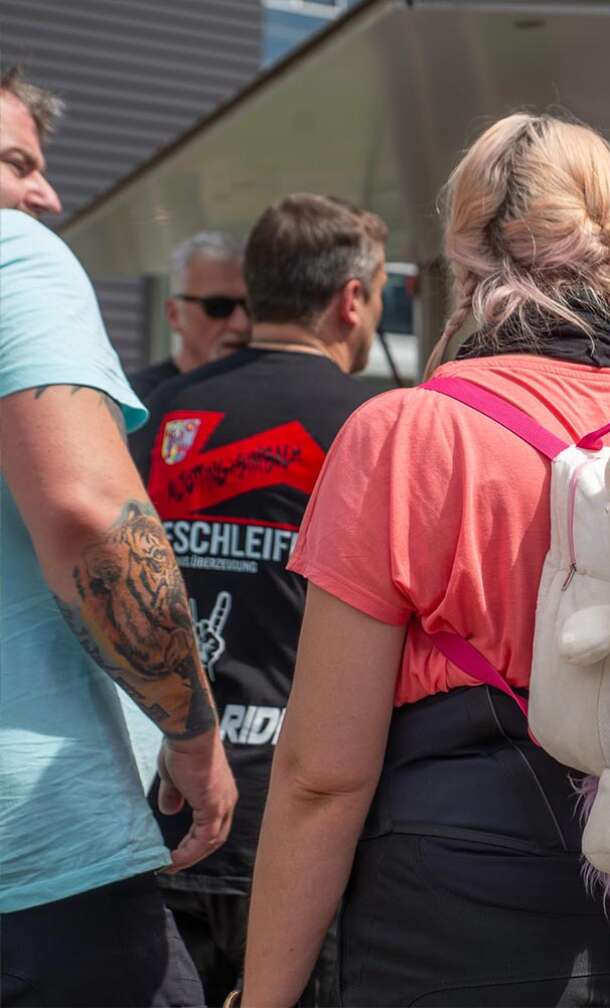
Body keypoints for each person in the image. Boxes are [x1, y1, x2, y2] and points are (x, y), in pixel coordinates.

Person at [242, 114, 610, 1007]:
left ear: (462, 251)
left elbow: (323, 777)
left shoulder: (404, 437)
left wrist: (266, 995)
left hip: (449, 927)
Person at [0, 65, 235, 1007]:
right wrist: (193, 731)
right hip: (37, 864)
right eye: (16, 163)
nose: (46, 196)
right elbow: (87, 510)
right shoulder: (14, 255)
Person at [130, 193, 386, 1006]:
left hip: (165, 797)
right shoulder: (375, 425)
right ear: (352, 299)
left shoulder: (157, 413)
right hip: (305, 824)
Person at [130, 231, 252, 401]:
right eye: (218, 307)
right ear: (174, 314)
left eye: (252, 307)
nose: (241, 324)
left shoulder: (274, 393)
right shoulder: (136, 402)